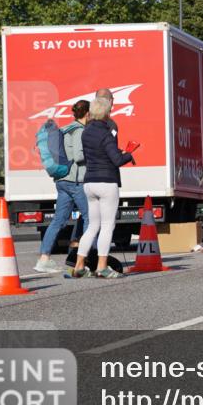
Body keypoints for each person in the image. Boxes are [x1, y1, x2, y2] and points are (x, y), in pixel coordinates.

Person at [68, 97, 135, 279]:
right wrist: (129, 154)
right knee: (107, 226)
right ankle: (102, 267)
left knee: (92, 226)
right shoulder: (106, 133)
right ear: (106, 112)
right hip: (106, 182)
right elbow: (116, 160)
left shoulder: (86, 132)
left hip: (89, 182)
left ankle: (79, 265)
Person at [35, 100, 90, 273]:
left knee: (58, 220)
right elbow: (79, 156)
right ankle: (86, 257)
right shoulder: (80, 131)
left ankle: (44, 259)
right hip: (75, 181)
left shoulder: (65, 128)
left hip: (61, 180)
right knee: (90, 218)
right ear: (87, 114)